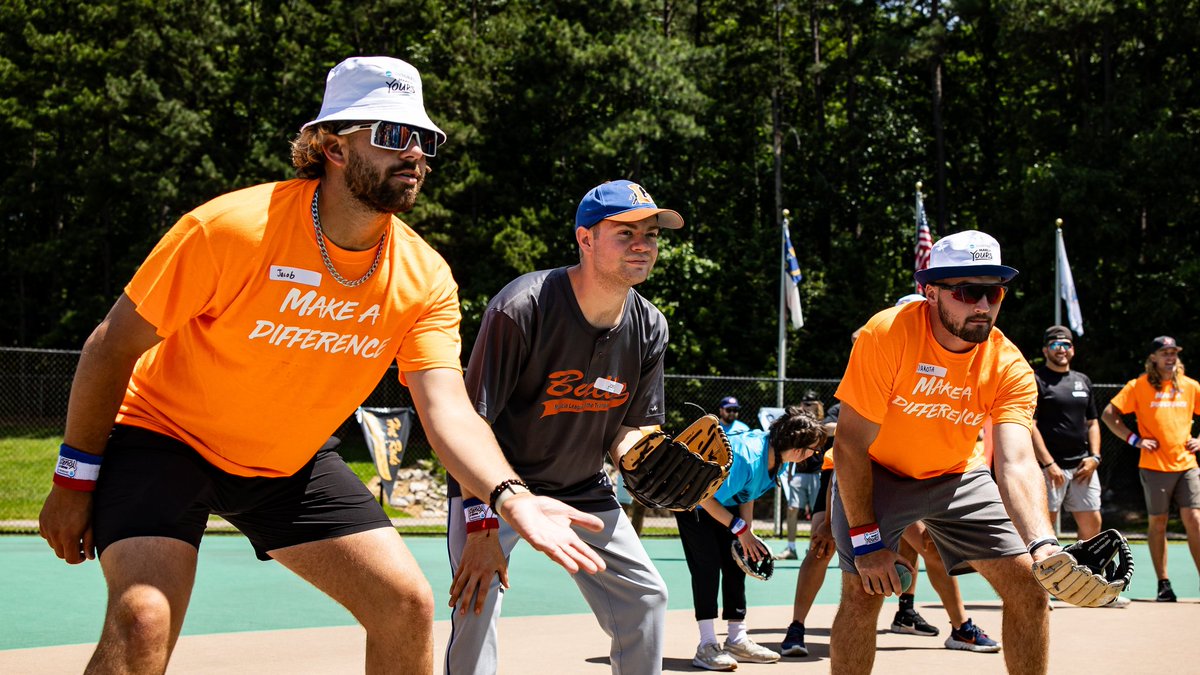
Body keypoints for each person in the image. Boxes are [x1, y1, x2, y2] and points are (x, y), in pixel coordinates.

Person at [37, 56, 607, 675]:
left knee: (405, 604)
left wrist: (511, 498)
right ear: (333, 146)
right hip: (166, 438)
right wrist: (74, 480)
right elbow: (110, 346)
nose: (414, 155)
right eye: (393, 136)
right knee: (144, 618)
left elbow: (447, 409)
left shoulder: (424, 276)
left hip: (289, 460)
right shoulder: (231, 229)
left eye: (425, 140)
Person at [444, 179, 683, 674]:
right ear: (585, 238)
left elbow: (632, 429)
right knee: (476, 600)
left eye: (651, 233)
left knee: (646, 598)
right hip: (497, 487)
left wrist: (651, 459)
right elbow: (467, 425)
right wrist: (483, 527)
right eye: (625, 232)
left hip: (582, 488)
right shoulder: (523, 307)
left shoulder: (651, 326)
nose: (643, 244)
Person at [828, 230, 1057, 675]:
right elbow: (850, 444)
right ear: (931, 293)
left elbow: (1016, 461)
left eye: (993, 292)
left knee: (1031, 584)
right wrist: (867, 541)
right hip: (879, 473)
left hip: (958, 476)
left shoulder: (1008, 363)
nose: (982, 306)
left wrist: (1043, 544)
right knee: (863, 591)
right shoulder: (887, 334)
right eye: (968, 291)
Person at [677, 406, 825, 671]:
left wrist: (746, 533)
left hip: (725, 503)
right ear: (796, 446)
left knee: (736, 565)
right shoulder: (747, 456)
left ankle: (737, 639)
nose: (814, 454)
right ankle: (707, 645)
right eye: (812, 449)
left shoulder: (778, 458)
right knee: (707, 569)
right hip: (695, 503)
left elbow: (749, 492)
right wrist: (739, 529)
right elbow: (702, 496)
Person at [1101, 335, 1200, 603]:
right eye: (1164, 352)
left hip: (1187, 465)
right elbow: (1109, 415)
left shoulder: (1190, 386)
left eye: (1173, 352)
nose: (1170, 356)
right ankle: (1164, 584)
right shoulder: (1138, 386)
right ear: (1153, 358)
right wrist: (1134, 439)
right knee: (1159, 522)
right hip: (1154, 466)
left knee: (1195, 519)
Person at [1031, 326, 1105, 543]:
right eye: (1055, 345)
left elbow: (1092, 423)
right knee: (1044, 528)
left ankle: (1084, 573)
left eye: (1066, 345)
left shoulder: (1082, 380)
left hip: (1083, 467)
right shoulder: (1036, 380)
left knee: (1093, 523)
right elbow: (1030, 425)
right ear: (1045, 350)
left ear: (1072, 349)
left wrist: (1095, 457)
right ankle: (1041, 576)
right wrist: (1048, 464)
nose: (1061, 349)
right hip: (1049, 469)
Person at [777, 390, 826, 559]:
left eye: (809, 404)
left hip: (817, 474)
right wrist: (790, 471)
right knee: (792, 509)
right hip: (798, 473)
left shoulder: (823, 424)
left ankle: (812, 549)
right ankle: (791, 548)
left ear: (817, 405)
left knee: (817, 513)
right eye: (804, 403)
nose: (805, 406)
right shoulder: (799, 424)